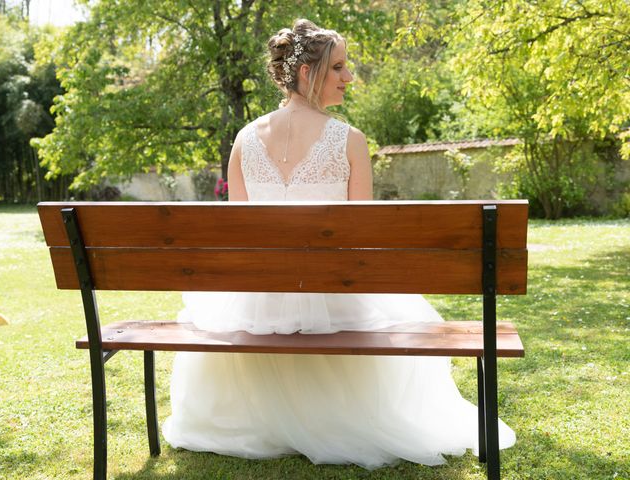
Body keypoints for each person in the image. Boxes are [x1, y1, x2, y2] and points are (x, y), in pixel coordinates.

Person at [162, 19, 516, 468]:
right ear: (307, 73)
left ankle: (264, 415)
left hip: (256, 303)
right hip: (337, 295)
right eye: (339, 68)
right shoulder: (350, 141)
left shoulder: (244, 141)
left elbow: (240, 236)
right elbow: (361, 242)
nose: (349, 78)